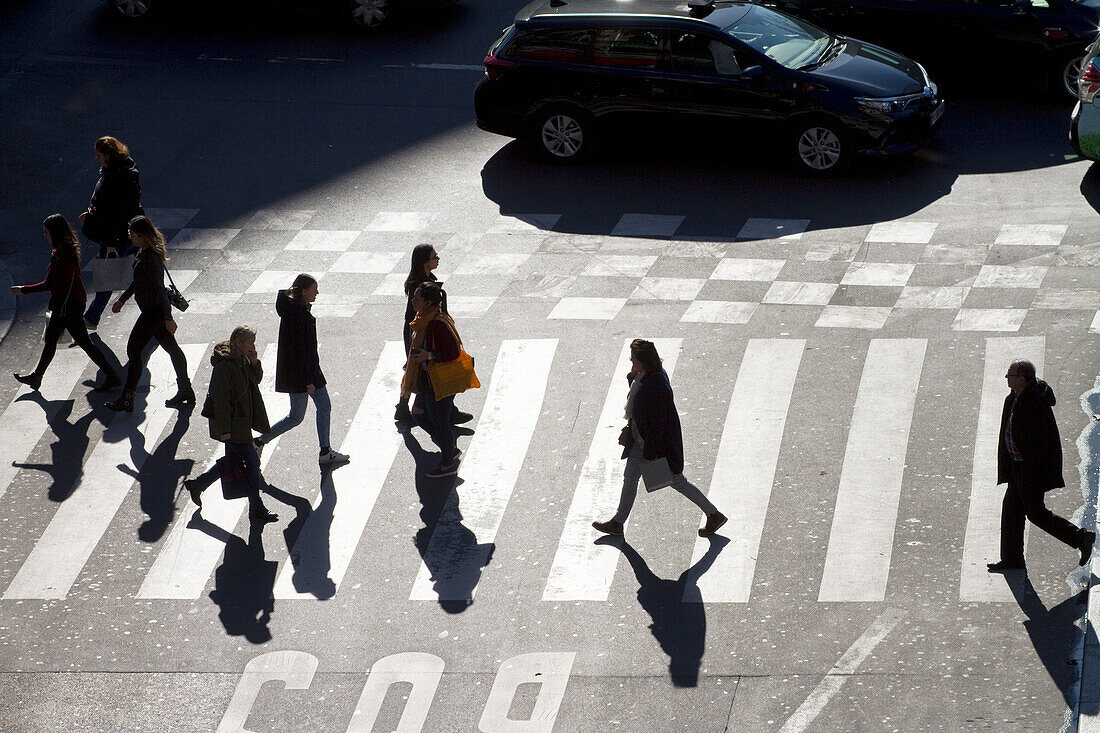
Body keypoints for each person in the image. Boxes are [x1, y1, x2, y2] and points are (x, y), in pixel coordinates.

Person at [593, 339, 727, 538]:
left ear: (644, 360)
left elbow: (658, 423)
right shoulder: (644, 377)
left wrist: (651, 453)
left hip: (655, 447)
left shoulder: (657, 384)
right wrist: (632, 377)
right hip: (642, 442)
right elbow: (639, 404)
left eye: (633, 359)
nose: (631, 362)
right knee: (630, 478)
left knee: (677, 481)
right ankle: (618, 522)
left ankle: (713, 514)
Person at [987, 359, 1095, 572]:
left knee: (1036, 513)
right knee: (1011, 511)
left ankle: (1080, 537)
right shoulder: (1016, 396)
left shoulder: (1034, 402)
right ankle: (1012, 559)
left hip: (1030, 470)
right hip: (1018, 467)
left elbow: (1039, 444)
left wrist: (1027, 471)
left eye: (1010, 375)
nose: (1006, 378)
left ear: (1022, 378)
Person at [10, 214, 121, 392]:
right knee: (54, 340)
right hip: (72, 302)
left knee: (81, 342)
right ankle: (37, 376)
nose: (44, 235)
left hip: (67, 306)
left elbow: (49, 284)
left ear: (54, 233)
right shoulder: (67, 250)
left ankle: (112, 375)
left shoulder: (60, 255)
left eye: (46, 231)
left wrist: (23, 289)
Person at [253, 274, 349, 466]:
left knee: (301, 415)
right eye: (314, 289)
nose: (317, 293)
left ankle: (261, 441)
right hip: (305, 375)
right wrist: (308, 381)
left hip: (301, 373)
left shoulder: (293, 310)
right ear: (303, 291)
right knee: (305, 413)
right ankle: (323, 451)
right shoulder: (299, 315)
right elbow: (300, 351)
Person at [185, 326, 278, 523]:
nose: (253, 346)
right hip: (234, 426)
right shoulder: (225, 366)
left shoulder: (242, 359)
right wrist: (225, 430)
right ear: (238, 343)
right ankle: (256, 510)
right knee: (252, 465)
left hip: (242, 423)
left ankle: (198, 485)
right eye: (250, 342)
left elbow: (255, 381)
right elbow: (221, 400)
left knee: (234, 464)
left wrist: (254, 362)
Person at [106, 215, 193, 413]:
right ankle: (186, 390)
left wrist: (168, 318)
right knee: (172, 349)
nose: (130, 237)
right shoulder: (143, 252)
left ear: (141, 235)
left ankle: (127, 398)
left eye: (132, 234)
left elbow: (159, 290)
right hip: (152, 311)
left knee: (134, 350)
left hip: (154, 312)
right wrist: (123, 299)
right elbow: (137, 281)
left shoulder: (151, 258)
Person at [394, 244, 472, 427]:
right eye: (434, 257)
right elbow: (411, 315)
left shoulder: (427, 279)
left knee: (414, 368)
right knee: (424, 369)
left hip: (421, 330)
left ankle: (403, 408)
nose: (438, 259)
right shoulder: (419, 285)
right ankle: (439, 411)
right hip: (420, 331)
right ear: (424, 262)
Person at [77, 136, 142, 331]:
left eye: (99, 154)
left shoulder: (117, 177)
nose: (96, 158)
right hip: (127, 233)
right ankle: (159, 308)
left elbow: (117, 212)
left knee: (107, 277)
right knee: (139, 272)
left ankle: (91, 318)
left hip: (117, 236)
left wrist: (110, 240)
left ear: (108, 155)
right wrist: (90, 216)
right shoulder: (122, 171)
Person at [401, 282, 464, 478]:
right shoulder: (423, 319)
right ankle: (449, 448)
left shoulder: (437, 323)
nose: (412, 301)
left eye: (417, 298)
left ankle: (447, 464)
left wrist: (429, 355)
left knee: (440, 421)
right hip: (426, 379)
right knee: (419, 414)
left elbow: (453, 352)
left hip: (438, 381)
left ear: (428, 303)